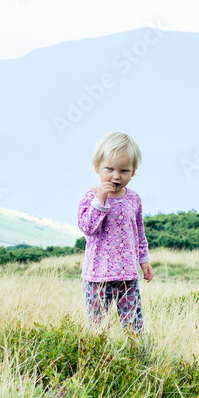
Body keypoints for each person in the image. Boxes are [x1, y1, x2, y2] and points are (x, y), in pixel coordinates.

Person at [77, 131, 152, 336]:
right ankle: (100, 363)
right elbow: (87, 227)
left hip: (128, 276)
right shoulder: (91, 196)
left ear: (133, 172)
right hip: (97, 277)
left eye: (124, 170)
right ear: (97, 167)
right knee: (99, 329)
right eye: (109, 169)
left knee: (134, 327)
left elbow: (139, 232)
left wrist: (144, 260)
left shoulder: (134, 199)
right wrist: (100, 201)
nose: (116, 176)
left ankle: (138, 360)